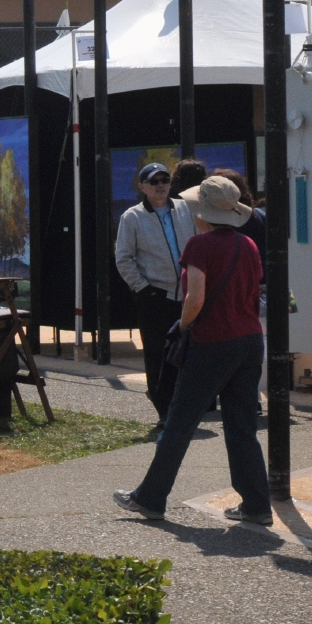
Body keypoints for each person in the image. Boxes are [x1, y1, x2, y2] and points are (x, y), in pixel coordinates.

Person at [114, 176, 270, 523]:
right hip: (249, 341)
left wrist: (182, 327)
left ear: (202, 210)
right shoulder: (248, 244)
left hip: (212, 342)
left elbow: (194, 298)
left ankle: (150, 497)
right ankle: (257, 503)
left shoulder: (199, 246)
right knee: (242, 426)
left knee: (179, 423)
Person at [114, 163, 194, 429]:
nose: (160, 185)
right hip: (155, 297)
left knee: (188, 354)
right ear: (142, 187)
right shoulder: (132, 217)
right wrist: (144, 289)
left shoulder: (184, 209)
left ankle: (185, 409)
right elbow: (124, 259)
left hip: (187, 295)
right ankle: (164, 412)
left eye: (165, 179)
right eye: (154, 181)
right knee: (158, 356)